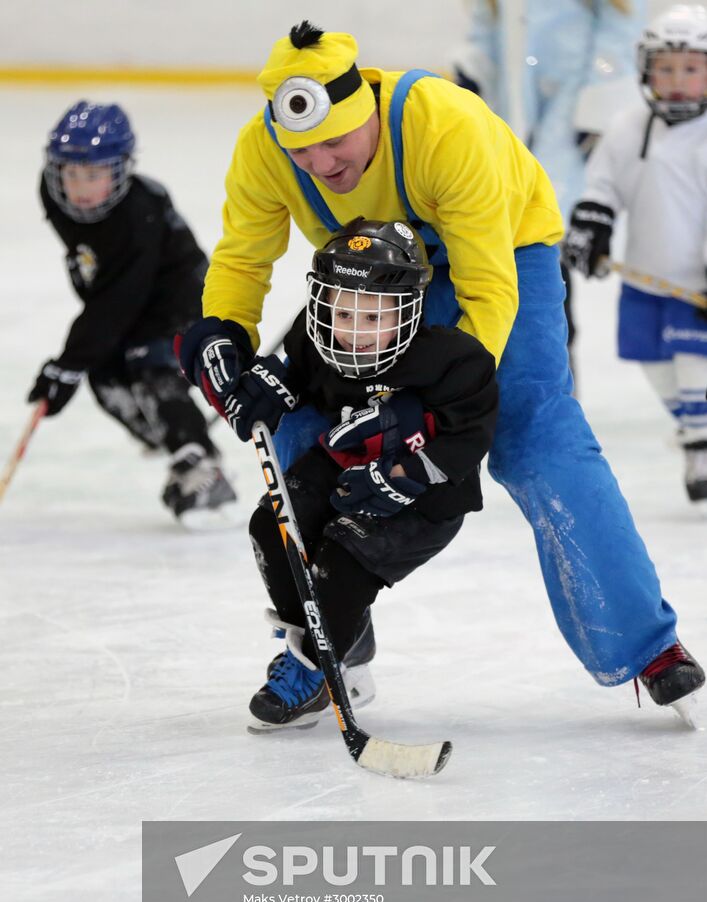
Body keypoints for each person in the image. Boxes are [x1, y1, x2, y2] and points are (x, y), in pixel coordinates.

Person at [176, 21, 704, 714]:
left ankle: (644, 644)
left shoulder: (447, 126)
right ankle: (328, 642)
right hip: (370, 284)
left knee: (533, 437)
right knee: (296, 426)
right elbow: (244, 260)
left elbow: (485, 291)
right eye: (302, 150)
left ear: (366, 108)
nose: (320, 164)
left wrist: (434, 405)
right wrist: (224, 337)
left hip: (504, 259)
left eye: (334, 142)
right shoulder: (266, 148)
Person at [223, 218, 498, 728]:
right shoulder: (317, 341)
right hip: (344, 466)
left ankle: (314, 671)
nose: (353, 331)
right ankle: (323, 646)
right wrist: (264, 387)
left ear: (409, 309)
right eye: (343, 313)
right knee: (272, 527)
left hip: (426, 500)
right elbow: (291, 374)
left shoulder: (454, 361)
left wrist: (403, 475)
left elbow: (470, 436)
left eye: (374, 318)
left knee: (344, 557)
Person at [28, 100, 238, 527]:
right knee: (104, 375)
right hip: (125, 288)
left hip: (177, 294)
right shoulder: (52, 193)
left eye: (93, 175)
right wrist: (78, 364)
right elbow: (100, 270)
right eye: (70, 173)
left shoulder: (137, 214)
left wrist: (67, 363)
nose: (80, 188)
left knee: (150, 363)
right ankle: (172, 437)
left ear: (121, 170)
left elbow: (118, 299)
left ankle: (201, 463)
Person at [451, 0, 647, 376]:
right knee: (496, 232)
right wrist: (473, 71)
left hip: (571, 107)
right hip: (511, 106)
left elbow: (620, 27)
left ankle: (555, 368)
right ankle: (503, 366)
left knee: (546, 230)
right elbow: (486, 27)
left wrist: (598, 99)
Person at [564, 3, 707, 505]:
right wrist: (592, 224)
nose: (677, 80)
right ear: (646, 69)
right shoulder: (629, 125)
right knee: (659, 369)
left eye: (691, 69)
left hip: (697, 285)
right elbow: (602, 185)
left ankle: (699, 452)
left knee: (695, 367)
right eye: (665, 68)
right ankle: (696, 437)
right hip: (645, 280)